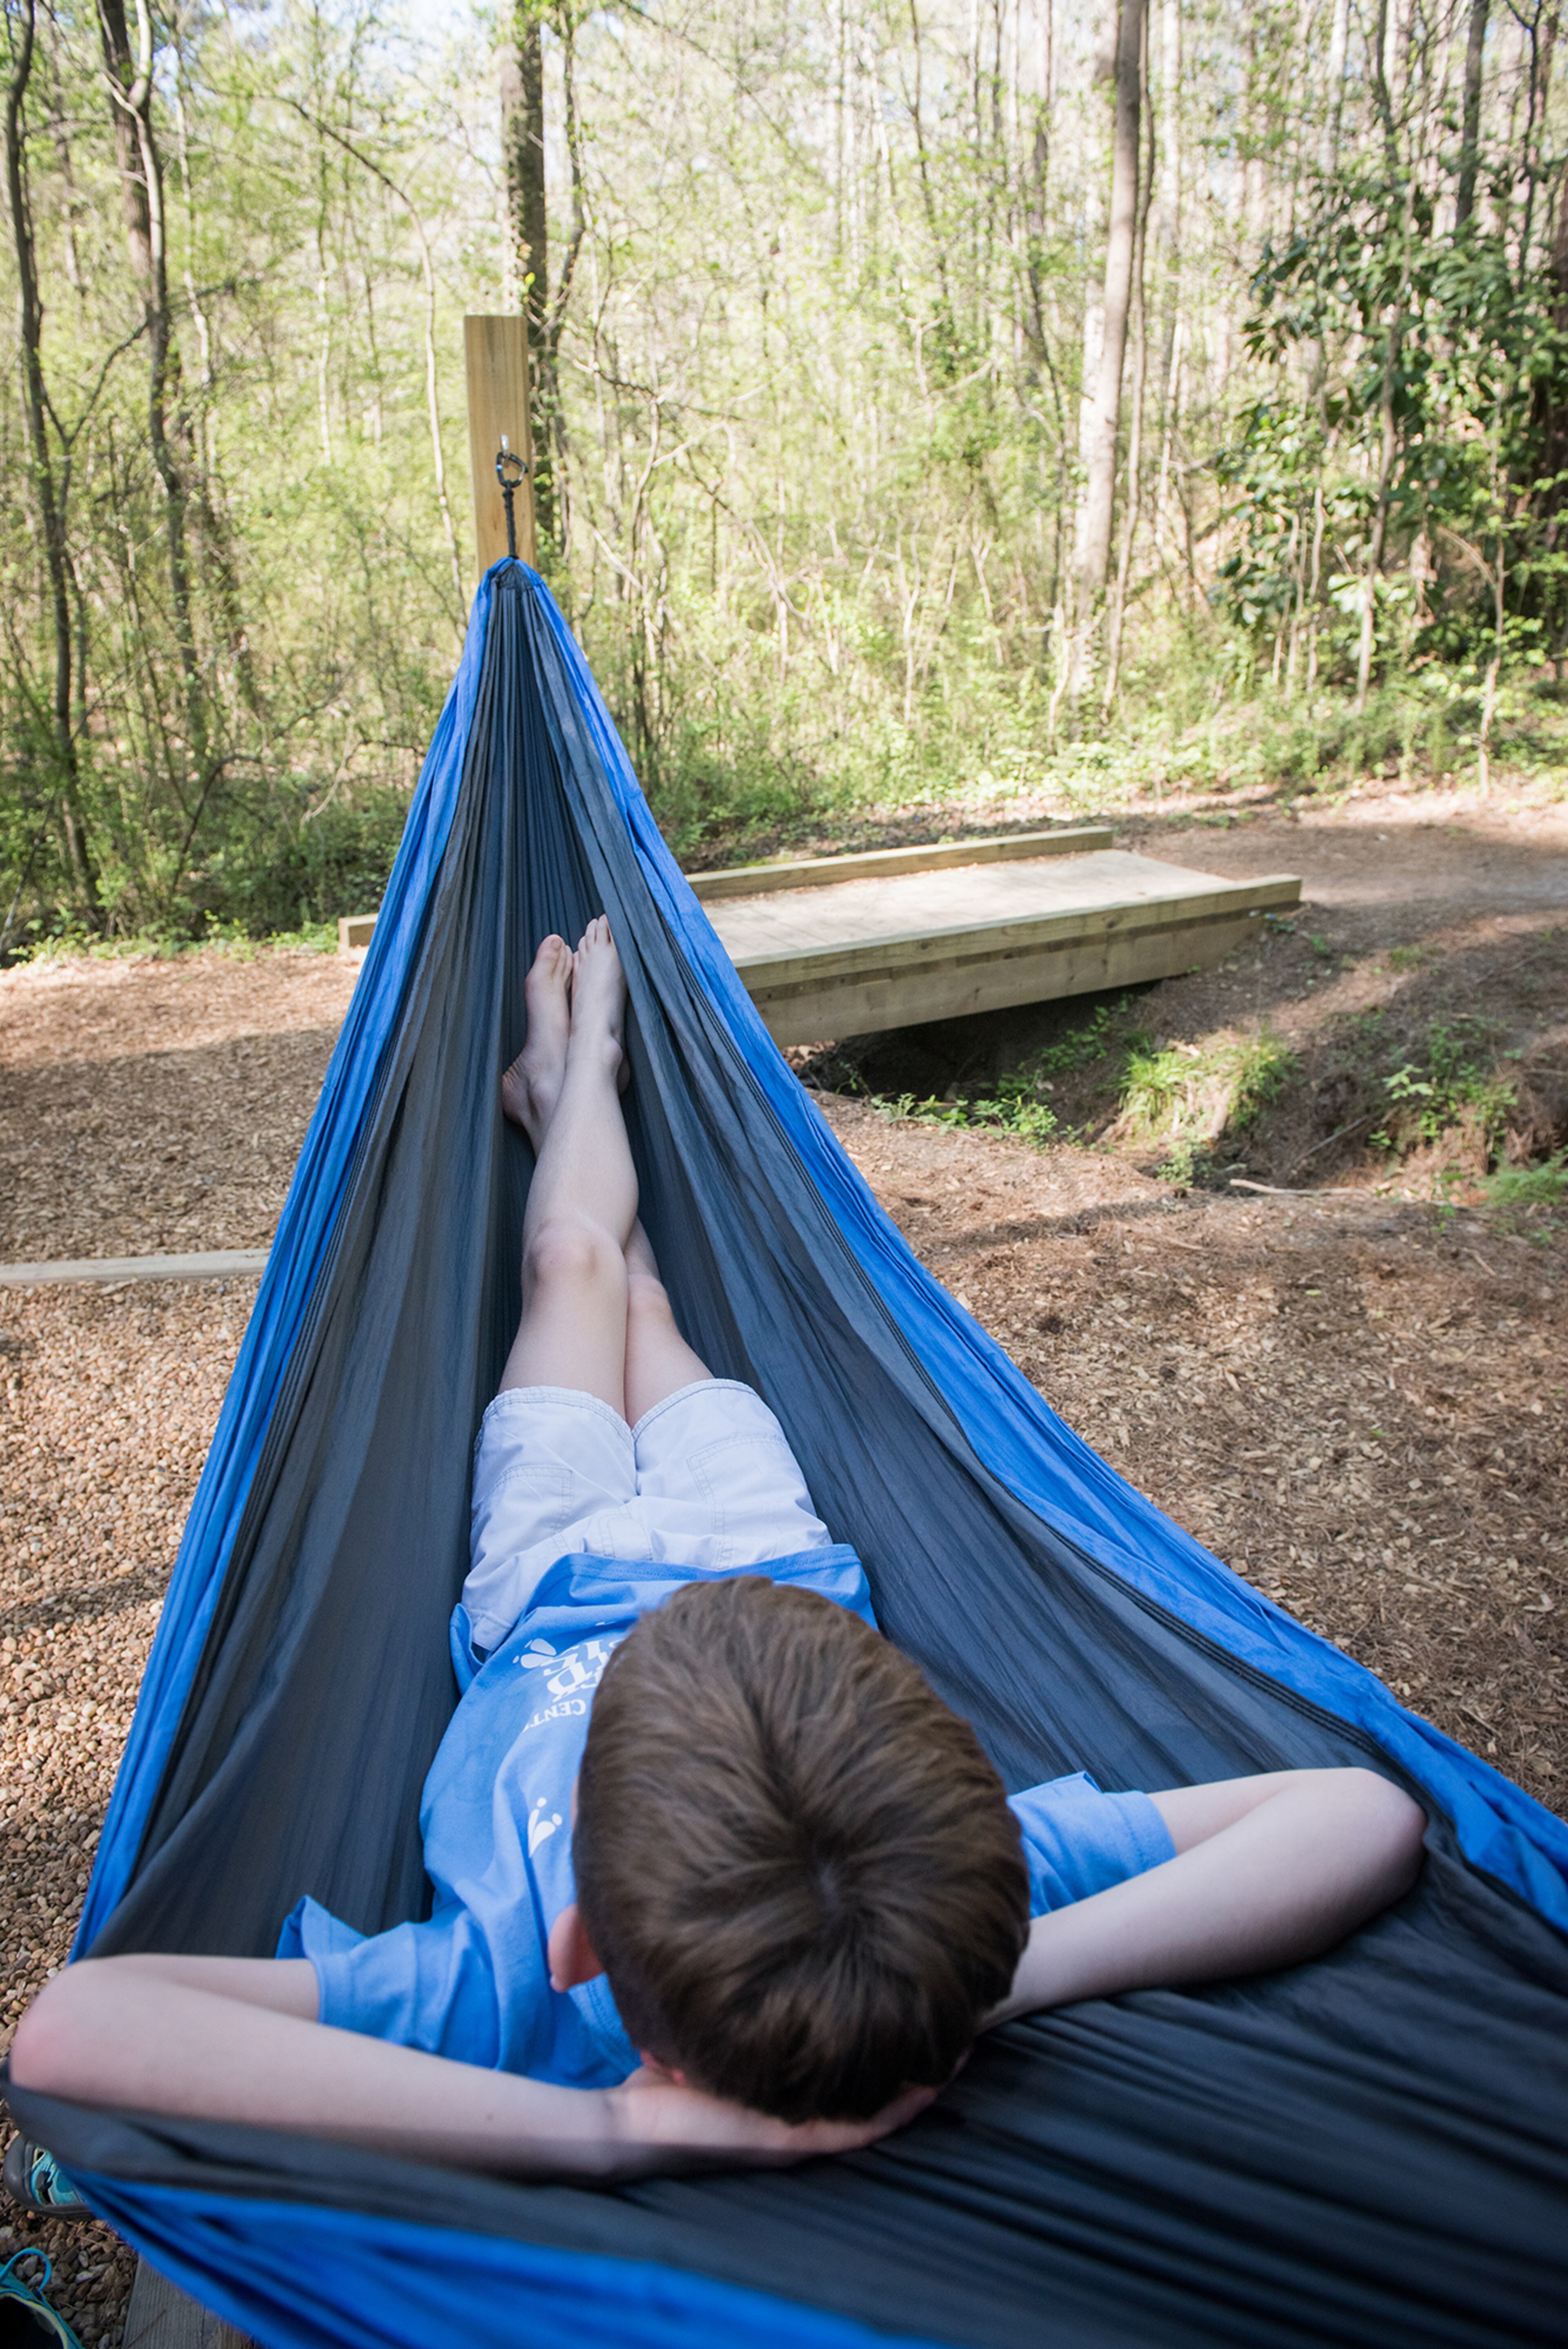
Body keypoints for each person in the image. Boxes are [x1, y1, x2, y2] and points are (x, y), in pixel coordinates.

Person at [11, 922, 1427, 2180]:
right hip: (767, 1570)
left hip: (556, 1580)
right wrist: (984, 1974)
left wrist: (609, 2128)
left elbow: (77, 2027)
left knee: (575, 1267)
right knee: (645, 1304)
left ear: (580, 1942)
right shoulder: (921, 1884)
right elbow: (1362, 1813)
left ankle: (574, 1082)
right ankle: (571, 1087)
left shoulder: (523, 1979)